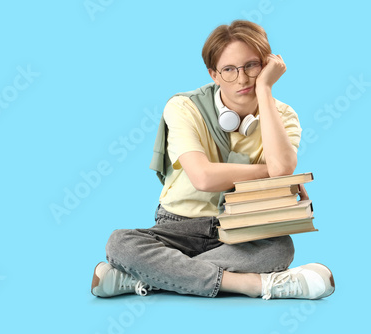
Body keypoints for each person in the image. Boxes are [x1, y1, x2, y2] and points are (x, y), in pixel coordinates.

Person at [90, 20, 335, 300]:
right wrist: (269, 173)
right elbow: (203, 177)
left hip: (242, 227)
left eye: (252, 66)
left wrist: (265, 90)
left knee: (280, 248)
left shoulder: (284, 116)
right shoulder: (184, 106)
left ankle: (145, 277)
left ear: (267, 65)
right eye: (229, 70)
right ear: (213, 74)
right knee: (121, 244)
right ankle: (257, 285)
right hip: (179, 225)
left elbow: (282, 169)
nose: (242, 79)